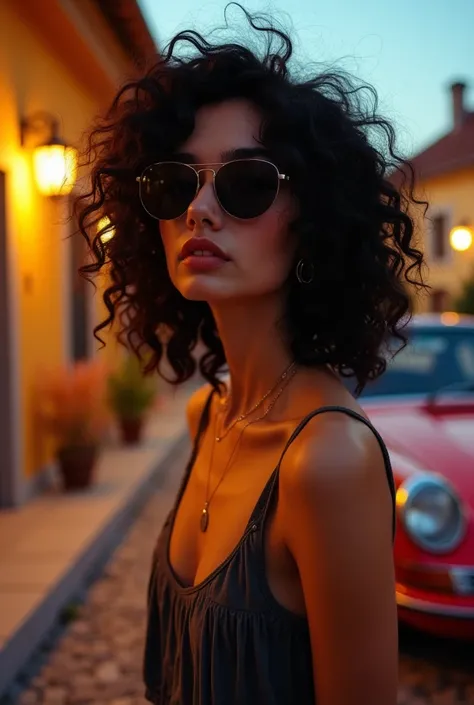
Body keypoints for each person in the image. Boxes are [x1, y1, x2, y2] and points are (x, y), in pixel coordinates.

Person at [76, 7, 427, 704]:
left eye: (246, 184)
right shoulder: (210, 413)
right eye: (177, 183)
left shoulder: (327, 459)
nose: (200, 210)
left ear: (314, 220)